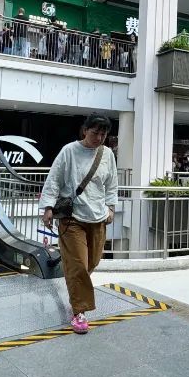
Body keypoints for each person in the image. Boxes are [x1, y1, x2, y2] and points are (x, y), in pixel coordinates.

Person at [39, 114, 119, 335]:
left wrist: (111, 207)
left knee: (92, 262)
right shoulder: (69, 151)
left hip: (98, 217)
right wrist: (47, 207)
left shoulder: (107, 154)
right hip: (72, 218)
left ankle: (76, 292)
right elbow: (54, 179)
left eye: (103, 134)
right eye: (95, 133)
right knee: (78, 266)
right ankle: (79, 311)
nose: (99, 138)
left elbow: (112, 183)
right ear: (85, 130)